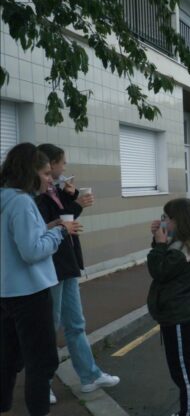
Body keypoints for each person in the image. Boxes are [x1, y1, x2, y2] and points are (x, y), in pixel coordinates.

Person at [35, 144, 119, 403]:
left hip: (67, 264)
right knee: (49, 325)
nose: (61, 171)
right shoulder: (37, 196)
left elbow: (64, 219)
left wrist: (72, 199)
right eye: (59, 166)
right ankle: (41, 384)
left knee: (76, 324)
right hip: (53, 267)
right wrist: (77, 204)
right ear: (47, 167)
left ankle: (89, 376)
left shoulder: (56, 192)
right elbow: (51, 225)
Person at [1, 143, 78, 416]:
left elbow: (17, 239)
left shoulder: (5, 198)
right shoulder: (23, 202)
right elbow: (31, 251)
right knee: (41, 362)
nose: (50, 178)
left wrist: (49, 227)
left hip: (7, 293)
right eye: (46, 173)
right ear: (29, 172)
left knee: (8, 358)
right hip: (30, 293)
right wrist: (60, 233)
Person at [148, 198, 190, 416]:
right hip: (188, 309)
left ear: (178, 220)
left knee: (183, 372)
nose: (164, 221)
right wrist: (159, 240)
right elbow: (167, 264)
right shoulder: (189, 241)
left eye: (167, 217)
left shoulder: (182, 247)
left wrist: (158, 244)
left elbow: (159, 270)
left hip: (180, 315)